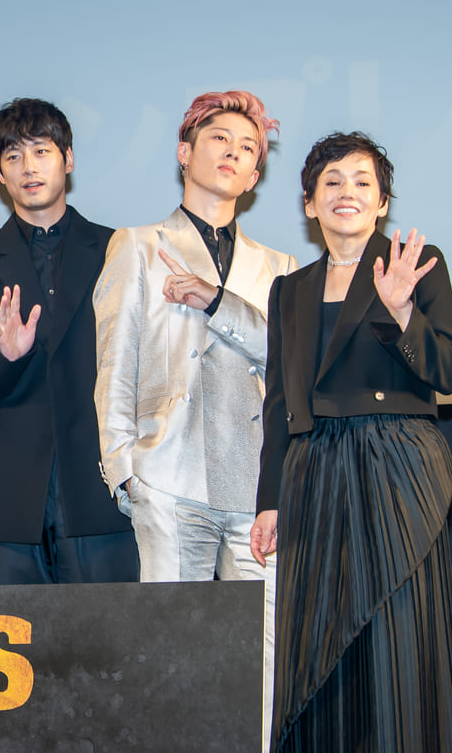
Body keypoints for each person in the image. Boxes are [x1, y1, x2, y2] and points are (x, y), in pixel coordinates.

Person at [252, 132, 452, 751]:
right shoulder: (290, 290)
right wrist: (269, 501)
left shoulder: (415, 264)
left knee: (396, 639)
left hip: (396, 462)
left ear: (382, 202)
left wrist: (401, 313)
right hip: (313, 471)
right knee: (316, 647)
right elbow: (278, 403)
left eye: (362, 182)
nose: (346, 192)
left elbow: (450, 372)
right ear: (309, 203)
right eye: (332, 182)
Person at [94, 90, 295, 748]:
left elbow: (288, 358)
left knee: (260, 663)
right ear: (185, 153)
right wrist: (125, 469)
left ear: (256, 174)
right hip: (169, 475)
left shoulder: (280, 268)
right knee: (168, 652)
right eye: (219, 140)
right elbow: (115, 362)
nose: (233, 153)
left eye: (248, 148)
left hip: (257, 489)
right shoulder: (138, 244)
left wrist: (216, 301)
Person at [0, 98, 135, 585]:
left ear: (68, 159)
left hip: (100, 487)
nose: (29, 168)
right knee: (10, 634)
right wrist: (0, 356)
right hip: (4, 499)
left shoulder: (121, 251)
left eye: (41, 152)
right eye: (13, 156)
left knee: (109, 631)